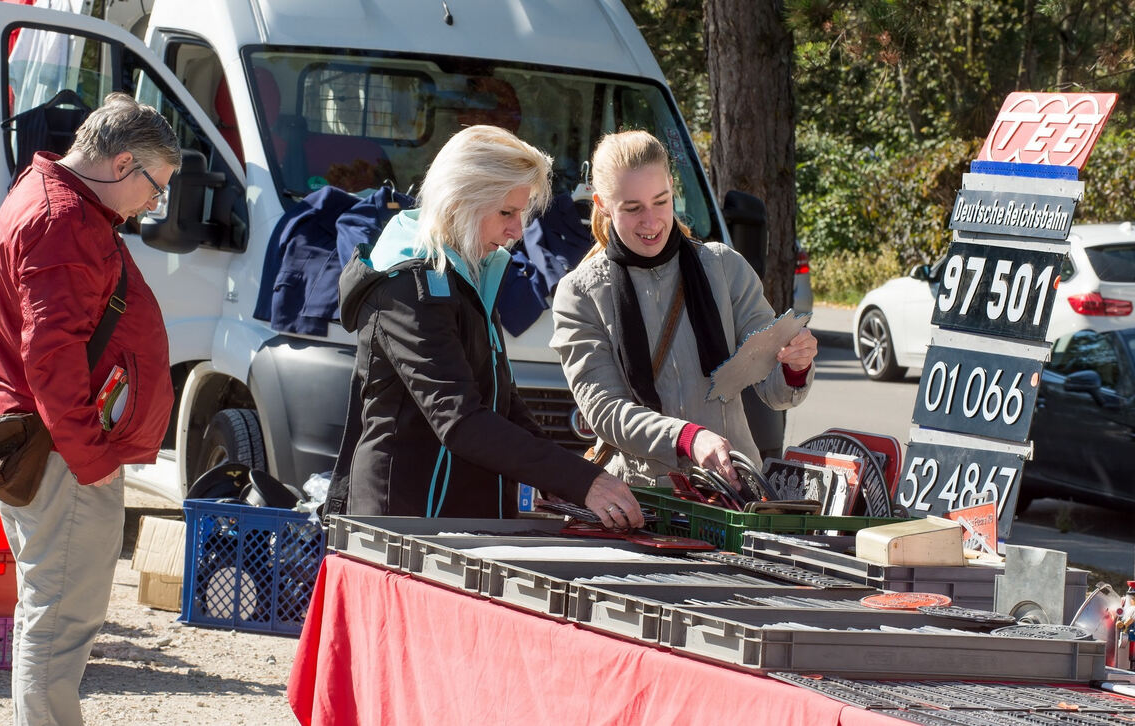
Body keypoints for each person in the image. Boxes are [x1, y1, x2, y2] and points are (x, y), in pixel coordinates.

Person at [0, 92, 180, 726]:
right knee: (59, 619)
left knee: (52, 611)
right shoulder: (61, 218)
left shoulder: (53, 197)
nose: (154, 203)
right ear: (122, 164)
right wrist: (92, 459)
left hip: (57, 445)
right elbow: (53, 359)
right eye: (157, 186)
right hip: (65, 452)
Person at [335, 125, 643, 528]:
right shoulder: (407, 287)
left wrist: (561, 477)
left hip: (458, 521)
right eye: (506, 213)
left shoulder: (468, 272)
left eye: (521, 213)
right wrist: (577, 479)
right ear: (460, 201)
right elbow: (460, 419)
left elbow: (500, 398)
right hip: (403, 527)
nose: (518, 231)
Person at [550, 130, 817, 488]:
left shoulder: (724, 268)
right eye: (633, 208)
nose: (652, 221)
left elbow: (773, 389)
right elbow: (605, 410)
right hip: (641, 498)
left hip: (732, 491)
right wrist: (688, 438)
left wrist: (795, 366)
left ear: (672, 189)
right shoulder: (579, 293)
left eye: (660, 201)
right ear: (601, 204)